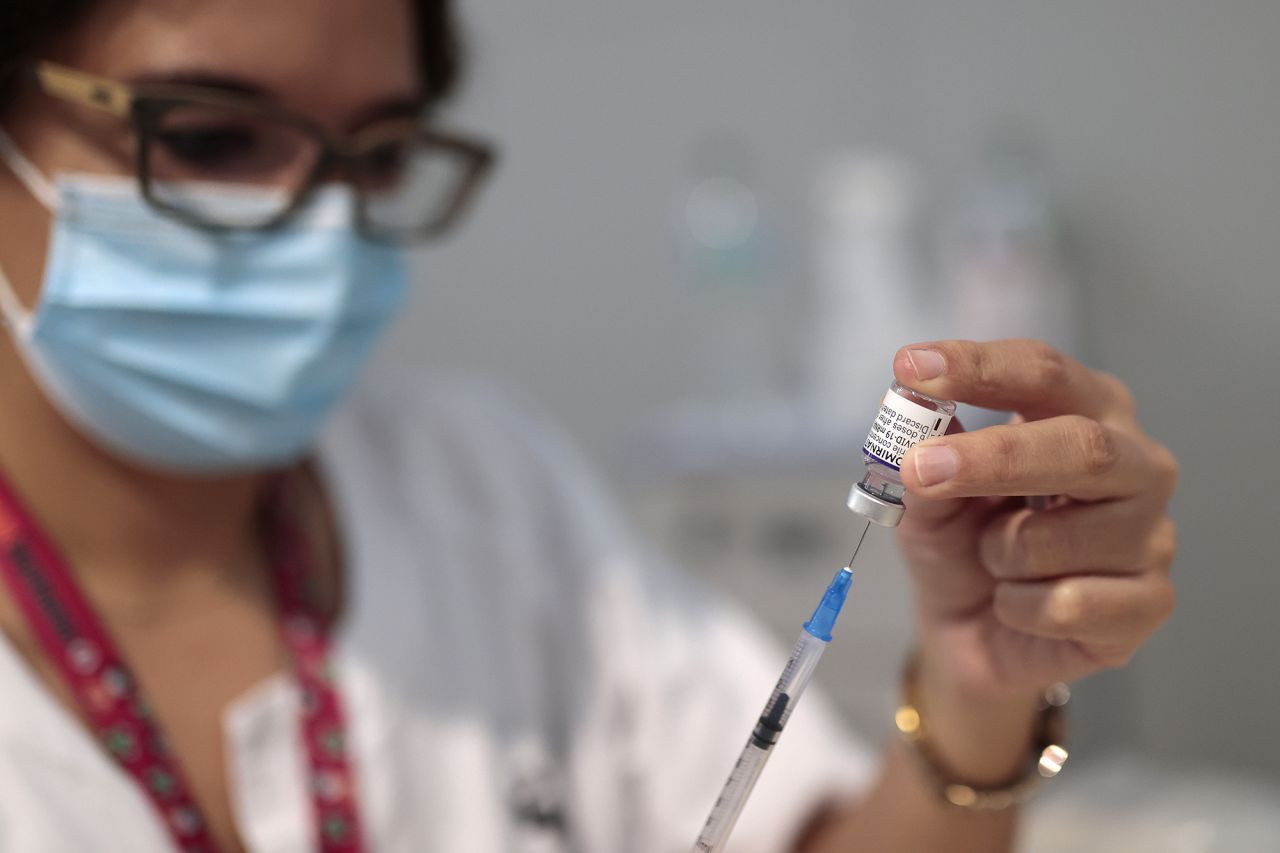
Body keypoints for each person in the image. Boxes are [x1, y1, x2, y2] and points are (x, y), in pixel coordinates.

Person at [0, 1, 1179, 851]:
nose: (316, 228)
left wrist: (979, 687)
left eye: (377, 155)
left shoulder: (481, 492)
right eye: (208, 139)